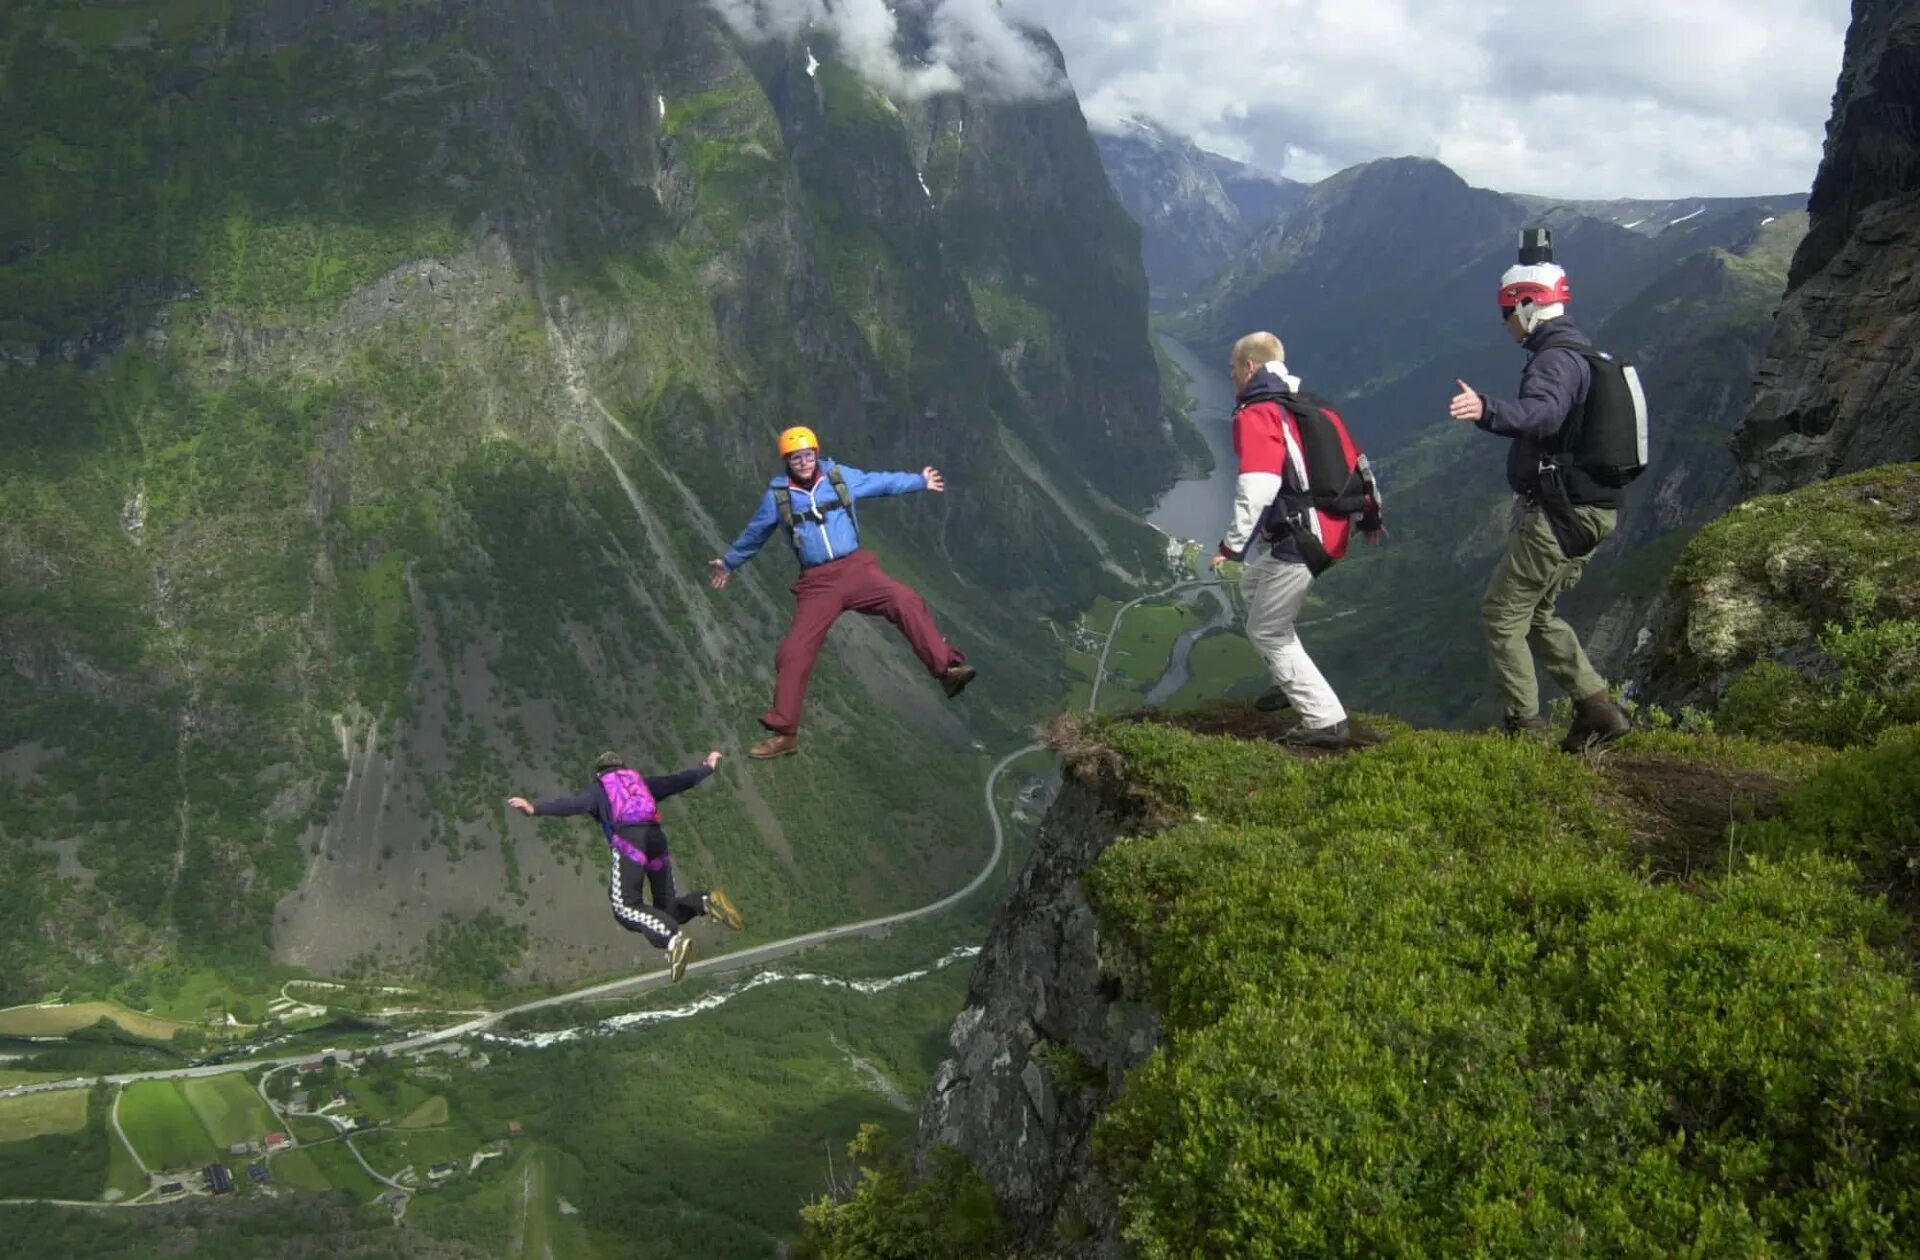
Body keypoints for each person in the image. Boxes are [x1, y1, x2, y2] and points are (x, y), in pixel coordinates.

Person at [1449, 233, 1633, 751]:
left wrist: (1487, 410)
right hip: (1593, 512)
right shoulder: (1583, 352)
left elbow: (1544, 413)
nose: (1505, 323)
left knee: (1501, 614)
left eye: (1507, 312)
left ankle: (1525, 735)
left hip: (1559, 514)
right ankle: (1600, 710)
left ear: (1529, 306)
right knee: (1539, 614)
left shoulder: (1555, 361)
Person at [710, 426, 974, 759]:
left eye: (807, 455)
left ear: (816, 454)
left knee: (904, 600)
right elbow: (754, 535)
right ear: (786, 462)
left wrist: (919, 481)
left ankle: (946, 670)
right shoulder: (777, 498)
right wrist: (729, 562)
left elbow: (881, 482)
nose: (804, 462)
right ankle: (784, 733)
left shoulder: (839, 478)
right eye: (796, 458)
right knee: (794, 651)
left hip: (857, 570)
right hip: (817, 584)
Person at [1210, 331, 1382, 748]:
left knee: (1267, 630)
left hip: (1303, 537)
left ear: (1249, 367)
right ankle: (1285, 683)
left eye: (1234, 369)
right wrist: (1370, 516)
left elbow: (1258, 487)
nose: (1232, 376)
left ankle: (1325, 722)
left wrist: (1230, 547)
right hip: (1330, 528)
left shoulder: (1259, 413)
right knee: (1255, 586)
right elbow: (1357, 460)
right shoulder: (1310, 405)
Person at [507, 749, 743, 983]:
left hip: (631, 843)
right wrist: (708, 767)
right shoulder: (640, 783)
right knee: (667, 910)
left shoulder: (598, 789)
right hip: (656, 839)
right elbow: (679, 781)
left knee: (624, 906)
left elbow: (572, 804)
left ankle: (672, 939)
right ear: (623, 767)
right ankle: (705, 901)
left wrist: (535, 809)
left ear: (599, 773)